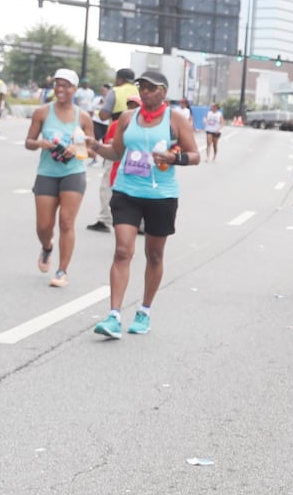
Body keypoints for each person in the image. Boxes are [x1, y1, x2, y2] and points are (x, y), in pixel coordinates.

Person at [89, 70, 200, 337]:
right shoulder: (128, 118)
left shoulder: (175, 120)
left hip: (161, 196)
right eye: (142, 87)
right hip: (127, 191)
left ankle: (145, 311)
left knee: (154, 255)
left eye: (151, 88)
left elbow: (195, 155)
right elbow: (116, 151)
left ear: (164, 91)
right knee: (123, 251)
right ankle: (114, 315)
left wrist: (174, 159)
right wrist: (95, 146)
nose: (146, 92)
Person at [23, 68, 95, 288]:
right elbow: (28, 142)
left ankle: (62, 271)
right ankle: (47, 247)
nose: (60, 89)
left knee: (66, 222)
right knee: (44, 226)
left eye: (66, 85)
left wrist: (77, 147)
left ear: (74, 89)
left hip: (73, 173)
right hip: (47, 173)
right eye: (57, 84)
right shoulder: (43, 113)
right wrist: (41, 144)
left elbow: (92, 151)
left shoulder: (82, 117)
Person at [89, 68, 139, 232]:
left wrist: (98, 111)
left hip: (117, 136)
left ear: (119, 79)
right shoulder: (141, 90)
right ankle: (139, 221)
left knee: (108, 181)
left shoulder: (115, 91)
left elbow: (104, 115)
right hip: (140, 141)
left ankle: (105, 219)